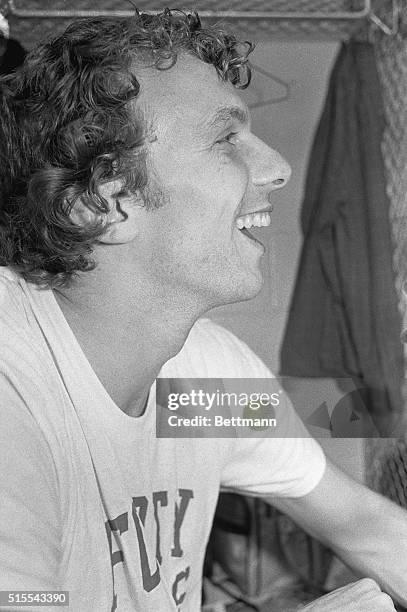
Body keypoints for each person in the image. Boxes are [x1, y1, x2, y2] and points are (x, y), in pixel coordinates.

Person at [0, 8, 404, 612]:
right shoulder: (13, 391)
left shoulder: (208, 372)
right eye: (226, 138)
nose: (277, 167)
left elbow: (369, 530)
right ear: (105, 203)